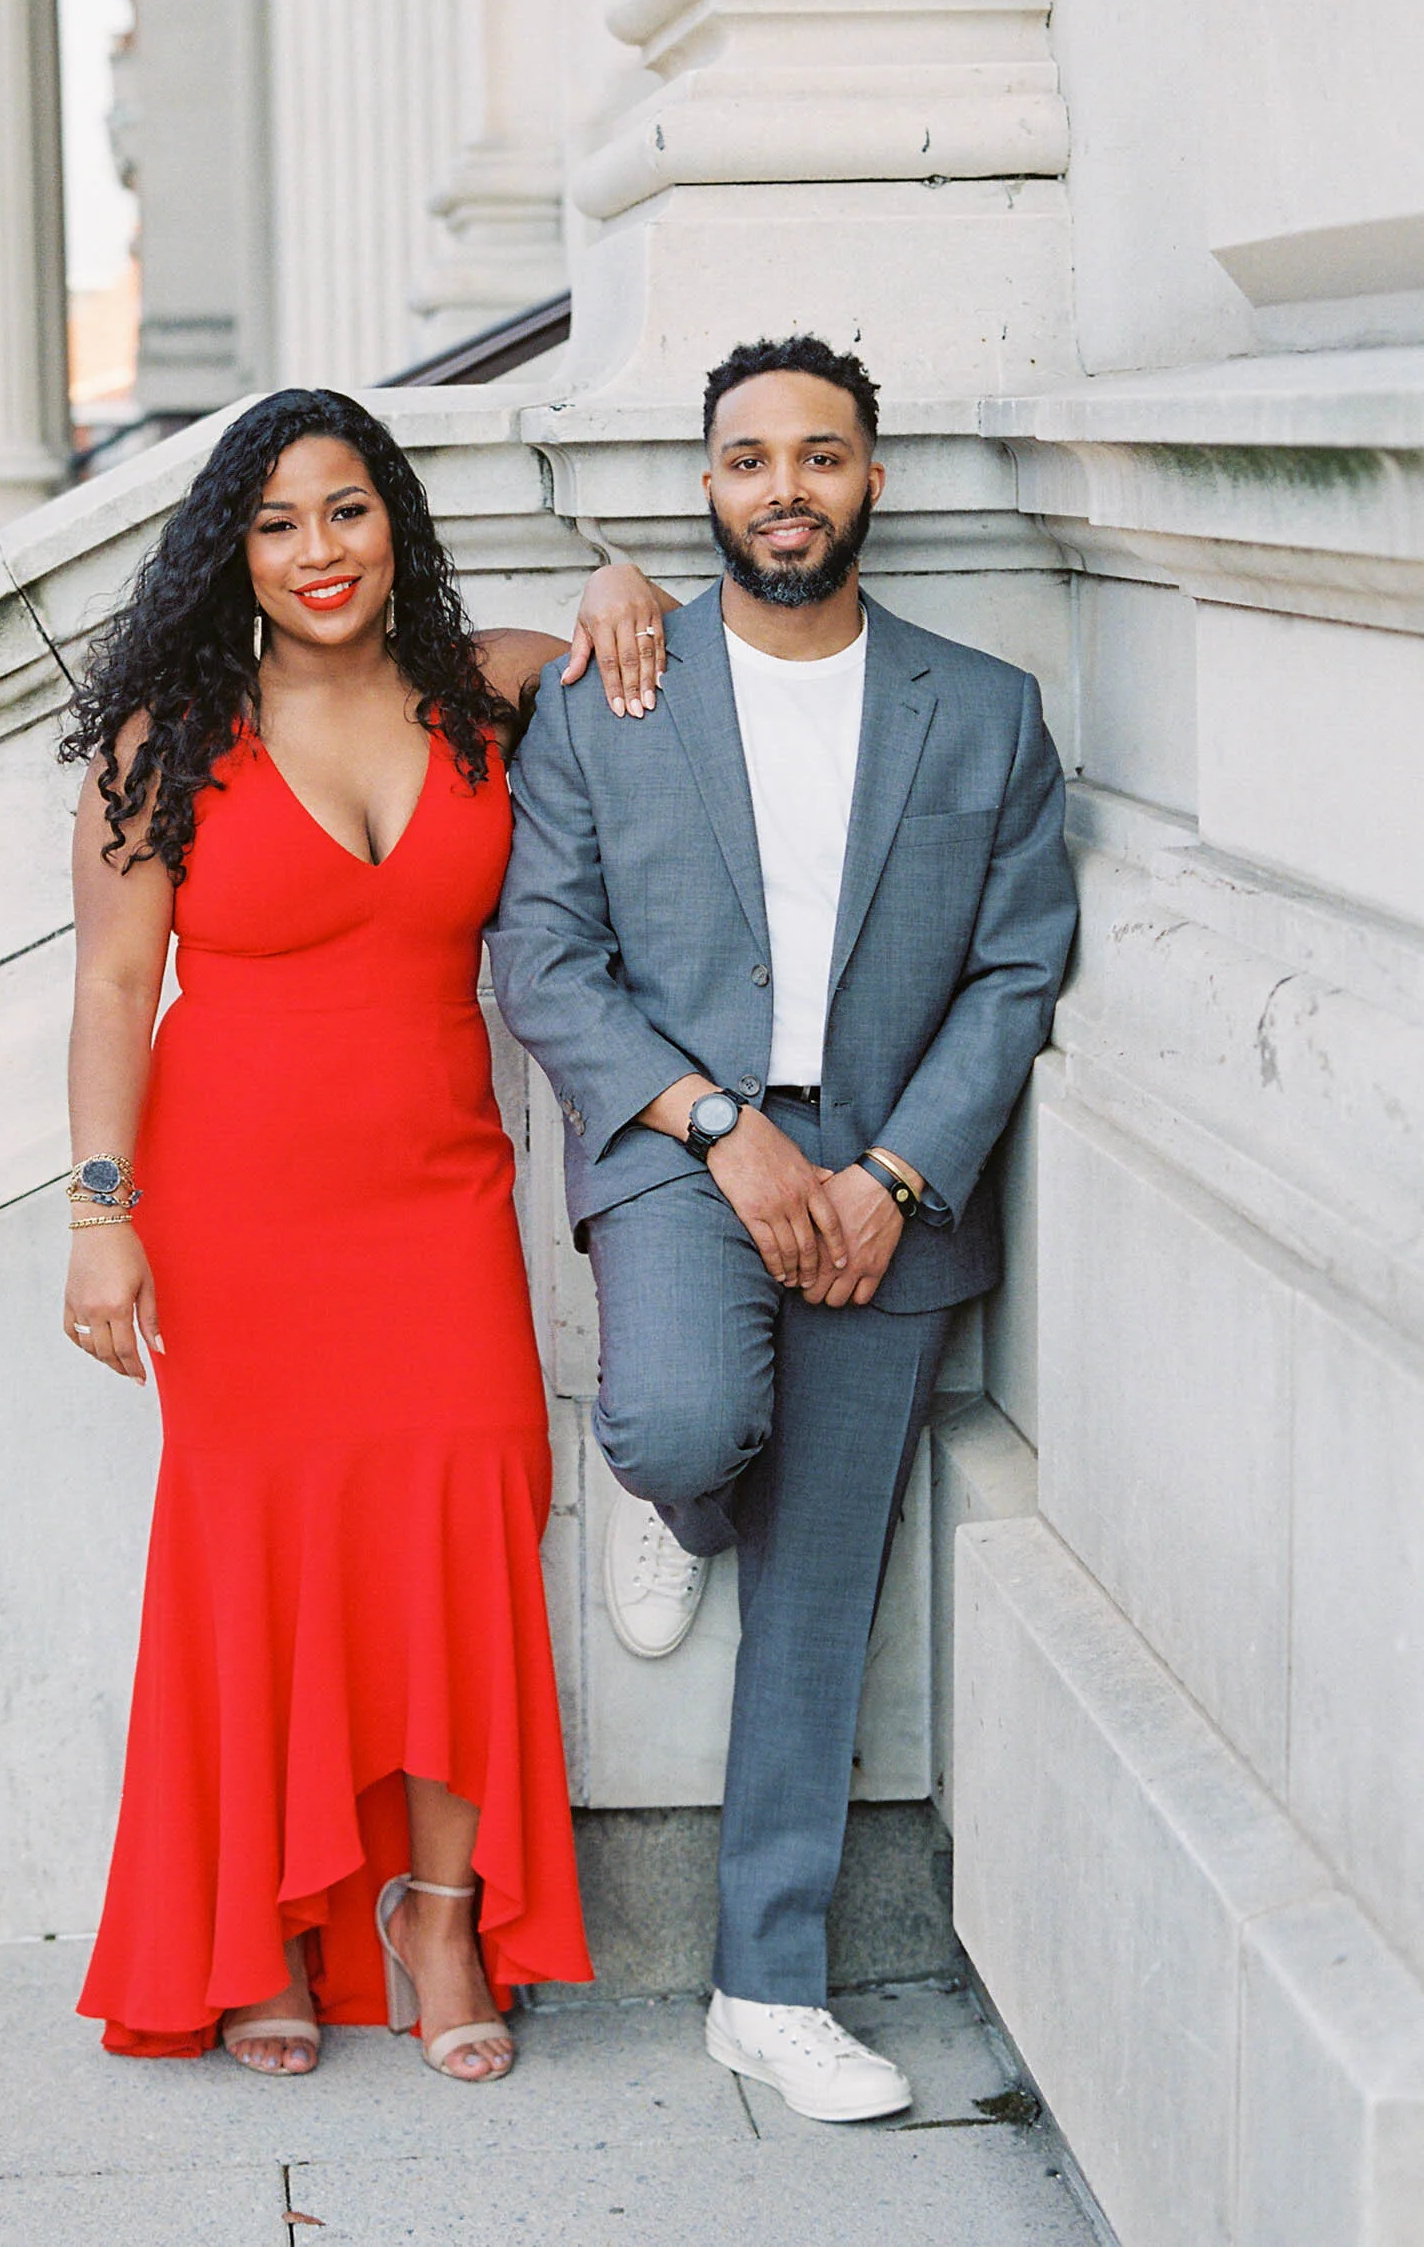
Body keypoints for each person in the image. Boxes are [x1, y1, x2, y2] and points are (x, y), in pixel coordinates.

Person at [489, 336, 1075, 2125]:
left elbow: (1016, 963)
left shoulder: (980, 708)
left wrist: (895, 1176)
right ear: (708, 490)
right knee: (679, 1416)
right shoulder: (616, 695)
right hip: (683, 1142)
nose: (786, 490)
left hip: (891, 1164)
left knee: (823, 1590)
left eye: (822, 457)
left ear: (872, 479)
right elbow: (549, 963)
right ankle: (670, 1502)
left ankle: (767, 1985)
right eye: (750, 461)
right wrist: (727, 1131)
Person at [59, 387, 677, 2077]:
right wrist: (100, 1212)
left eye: (345, 511)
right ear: (229, 555)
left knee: (461, 1524)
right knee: (259, 1553)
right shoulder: (168, 741)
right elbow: (117, 981)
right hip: (236, 1205)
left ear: (393, 521)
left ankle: (438, 1910)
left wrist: (626, 578)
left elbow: (656, 651)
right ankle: (255, 1919)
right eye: (274, 524)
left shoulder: (483, 692)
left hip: (436, 1193)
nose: (316, 552)